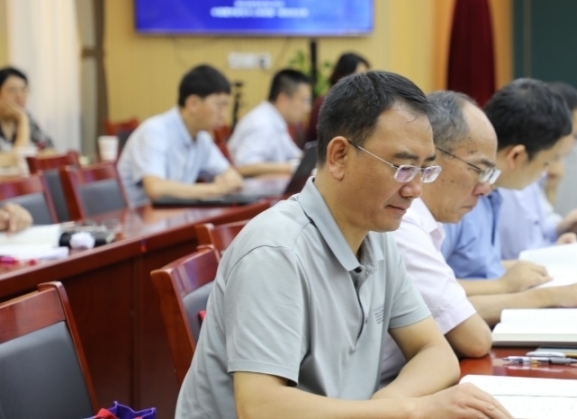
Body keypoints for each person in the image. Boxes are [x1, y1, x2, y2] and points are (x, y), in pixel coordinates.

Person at [175, 71, 512, 419]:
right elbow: (260, 407)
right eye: (402, 168)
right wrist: (410, 410)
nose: (415, 190)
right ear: (339, 155)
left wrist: (383, 409)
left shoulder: (377, 237)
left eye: (425, 170)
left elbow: (436, 353)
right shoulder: (276, 251)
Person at [440, 80, 577, 324]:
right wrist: (508, 286)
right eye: (545, 163)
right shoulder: (456, 197)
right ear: (517, 156)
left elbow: (479, 266)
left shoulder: (493, 194)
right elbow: (431, 291)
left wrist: (530, 269)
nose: (546, 172)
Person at [380, 91, 494, 384]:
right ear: (433, 156)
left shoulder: (423, 222)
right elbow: (475, 339)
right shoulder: (401, 223)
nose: (485, 188)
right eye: (479, 170)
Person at [117, 65, 244, 206]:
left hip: (174, 214)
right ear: (193, 104)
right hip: (140, 217)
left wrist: (228, 181)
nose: (223, 115)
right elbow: (155, 189)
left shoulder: (202, 138)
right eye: (219, 106)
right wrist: (215, 189)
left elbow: (231, 175)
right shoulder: (154, 131)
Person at [496, 82, 577, 260]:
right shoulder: (508, 180)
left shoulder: (526, 168)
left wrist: (558, 230)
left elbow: (537, 227)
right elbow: (516, 254)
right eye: (575, 135)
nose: (574, 144)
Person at [228, 69, 313, 177]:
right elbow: (243, 166)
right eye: (304, 101)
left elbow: (295, 155)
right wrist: (290, 167)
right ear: (283, 99)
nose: (307, 109)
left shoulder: (275, 120)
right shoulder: (262, 124)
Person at [305, 52, 370, 141]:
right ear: (345, 75)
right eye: (360, 76)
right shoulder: (325, 104)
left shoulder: (353, 102)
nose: (365, 82)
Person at [0, 67, 54, 157]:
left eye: (23, 89)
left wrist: (22, 118)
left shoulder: (27, 117)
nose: (20, 95)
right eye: (12, 90)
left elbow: (50, 149)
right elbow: (18, 159)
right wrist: (22, 119)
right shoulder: (23, 116)